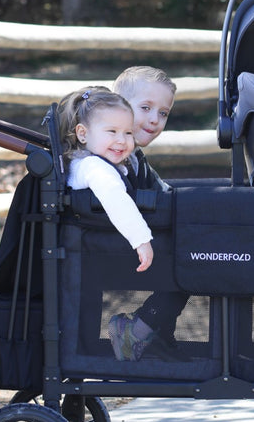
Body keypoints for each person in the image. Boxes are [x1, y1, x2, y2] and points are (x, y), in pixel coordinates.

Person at [58, 87, 156, 359]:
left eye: (127, 133)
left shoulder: (91, 162)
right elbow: (116, 199)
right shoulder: (95, 168)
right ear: (82, 134)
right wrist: (141, 239)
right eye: (111, 132)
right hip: (95, 257)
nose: (122, 140)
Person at [109, 66, 189, 361]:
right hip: (119, 251)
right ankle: (140, 332)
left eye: (163, 113)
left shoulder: (135, 157)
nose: (155, 119)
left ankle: (156, 339)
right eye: (146, 108)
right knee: (194, 265)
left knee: (191, 257)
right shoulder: (110, 158)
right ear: (117, 107)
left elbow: (165, 194)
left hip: (138, 247)